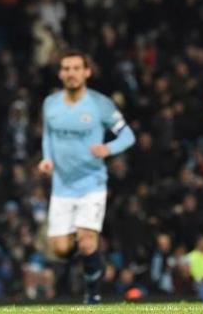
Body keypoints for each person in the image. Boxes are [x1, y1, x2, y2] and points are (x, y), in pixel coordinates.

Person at [37, 50, 136, 304]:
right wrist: (47, 159)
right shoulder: (51, 104)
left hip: (92, 183)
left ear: (86, 72)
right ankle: (91, 264)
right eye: (66, 69)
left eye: (76, 68)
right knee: (60, 249)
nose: (71, 73)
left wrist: (108, 148)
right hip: (61, 187)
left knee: (86, 240)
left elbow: (127, 135)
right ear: (60, 73)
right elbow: (48, 136)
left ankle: (92, 294)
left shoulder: (100, 104)